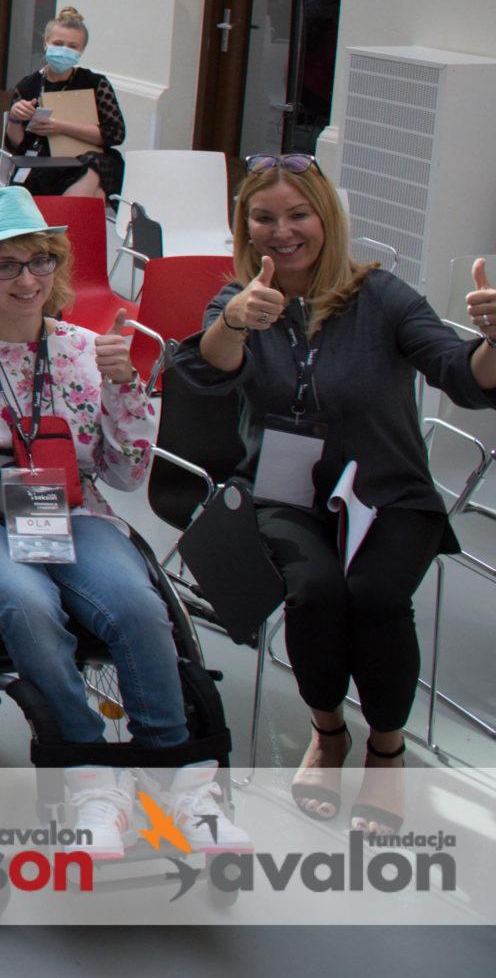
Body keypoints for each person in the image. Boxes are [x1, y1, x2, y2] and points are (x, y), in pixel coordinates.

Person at [0, 187, 242, 854]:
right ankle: (88, 769)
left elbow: (124, 474)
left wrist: (128, 391)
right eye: (6, 265)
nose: (27, 279)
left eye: (38, 262)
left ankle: (181, 775)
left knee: (137, 604)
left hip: (66, 505)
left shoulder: (84, 351)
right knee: (25, 600)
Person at [163, 158, 496, 838]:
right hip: (287, 494)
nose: (281, 231)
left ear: (326, 218)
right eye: (264, 218)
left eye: (297, 215)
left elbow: (464, 376)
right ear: (245, 227)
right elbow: (206, 368)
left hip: (389, 492)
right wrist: (236, 319)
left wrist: (494, 339)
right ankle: (327, 732)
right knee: (315, 592)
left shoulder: (383, 296)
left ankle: (386, 751)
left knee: (375, 596)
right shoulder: (239, 297)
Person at [3, 7, 124, 199]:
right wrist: (15, 118)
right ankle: (71, 223)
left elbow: (115, 134)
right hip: (45, 161)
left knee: (93, 164)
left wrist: (59, 127)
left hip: (89, 156)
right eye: (58, 43)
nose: (64, 50)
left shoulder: (95, 83)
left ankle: (65, 219)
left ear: (82, 51)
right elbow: (17, 146)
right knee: (97, 195)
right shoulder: (29, 85)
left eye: (72, 46)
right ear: (45, 43)